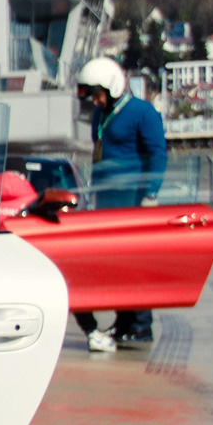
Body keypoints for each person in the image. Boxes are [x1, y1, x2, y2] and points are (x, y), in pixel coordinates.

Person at [76, 55, 167, 352]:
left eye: (98, 94)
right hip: (107, 202)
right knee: (115, 265)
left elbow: (158, 154)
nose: (96, 101)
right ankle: (124, 320)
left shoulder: (143, 113)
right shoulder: (101, 116)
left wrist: (150, 194)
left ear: (112, 87)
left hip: (132, 201)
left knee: (134, 263)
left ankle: (141, 325)